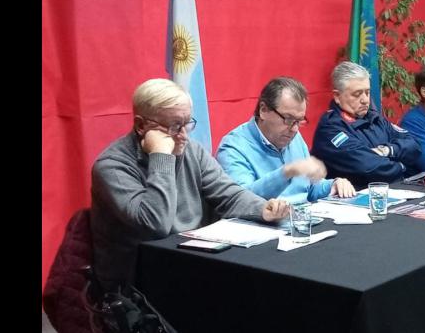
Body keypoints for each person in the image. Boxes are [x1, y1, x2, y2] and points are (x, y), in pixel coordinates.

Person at [90, 78, 290, 290]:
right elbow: (156, 224)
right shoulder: (111, 166)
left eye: (187, 123)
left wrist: (261, 208)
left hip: (190, 260)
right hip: (137, 278)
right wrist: (161, 156)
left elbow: (228, 193)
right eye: (175, 126)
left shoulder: (191, 150)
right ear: (141, 126)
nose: (184, 135)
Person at [216, 77, 356, 203]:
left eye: (299, 121)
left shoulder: (293, 136)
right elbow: (243, 202)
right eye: (288, 119)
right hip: (265, 226)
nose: (294, 129)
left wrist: (333, 185)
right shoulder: (233, 147)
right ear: (263, 110)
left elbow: (309, 189)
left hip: (303, 221)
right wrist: (286, 172)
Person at [312, 61, 421, 189]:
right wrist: (402, 166)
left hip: (392, 192)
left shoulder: (375, 117)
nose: (365, 100)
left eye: (367, 93)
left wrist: (386, 150)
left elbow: (415, 145)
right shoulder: (331, 128)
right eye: (357, 94)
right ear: (337, 96)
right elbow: (368, 167)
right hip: (354, 200)